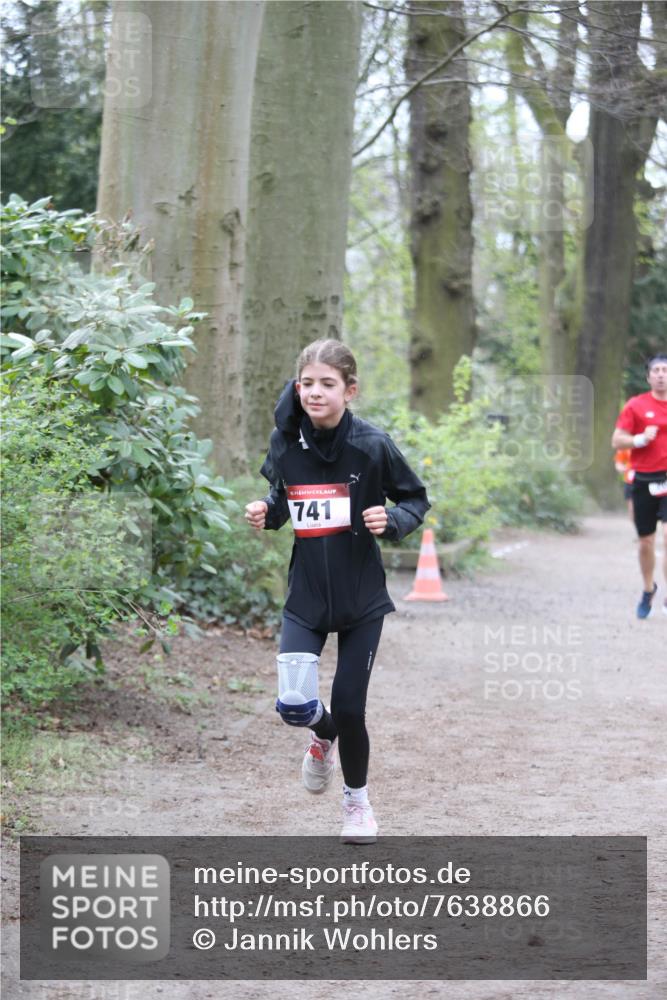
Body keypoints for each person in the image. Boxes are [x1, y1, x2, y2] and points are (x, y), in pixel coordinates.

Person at [245, 339, 430, 843]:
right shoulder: (284, 442)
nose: (315, 393)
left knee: (350, 704)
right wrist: (268, 511)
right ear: (296, 386)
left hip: (360, 597)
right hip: (306, 595)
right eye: (306, 383)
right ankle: (321, 734)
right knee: (293, 703)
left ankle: (357, 804)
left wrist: (391, 519)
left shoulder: (371, 445)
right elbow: (283, 500)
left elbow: (416, 499)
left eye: (327, 384)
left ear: (350, 390)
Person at [611, 354, 667, 618]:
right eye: (656, 370)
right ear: (648, 377)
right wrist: (639, 439)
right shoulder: (636, 405)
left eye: (665, 370)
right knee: (646, 542)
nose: (661, 375)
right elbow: (617, 441)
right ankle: (648, 589)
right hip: (644, 479)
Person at [613, 448, 635, 523]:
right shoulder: (625, 446)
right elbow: (618, 463)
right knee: (632, 508)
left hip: (648, 479)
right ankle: (638, 529)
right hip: (630, 481)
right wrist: (624, 468)